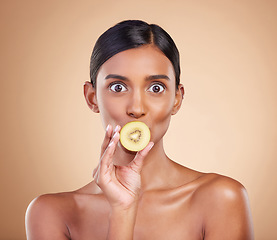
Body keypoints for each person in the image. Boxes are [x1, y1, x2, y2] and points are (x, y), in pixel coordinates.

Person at [25, 20, 254, 240]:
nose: (136, 108)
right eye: (118, 87)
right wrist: (122, 209)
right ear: (92, 97)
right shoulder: (51, 213)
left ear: (176, 99)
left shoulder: (221, 199)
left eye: (156, 88)